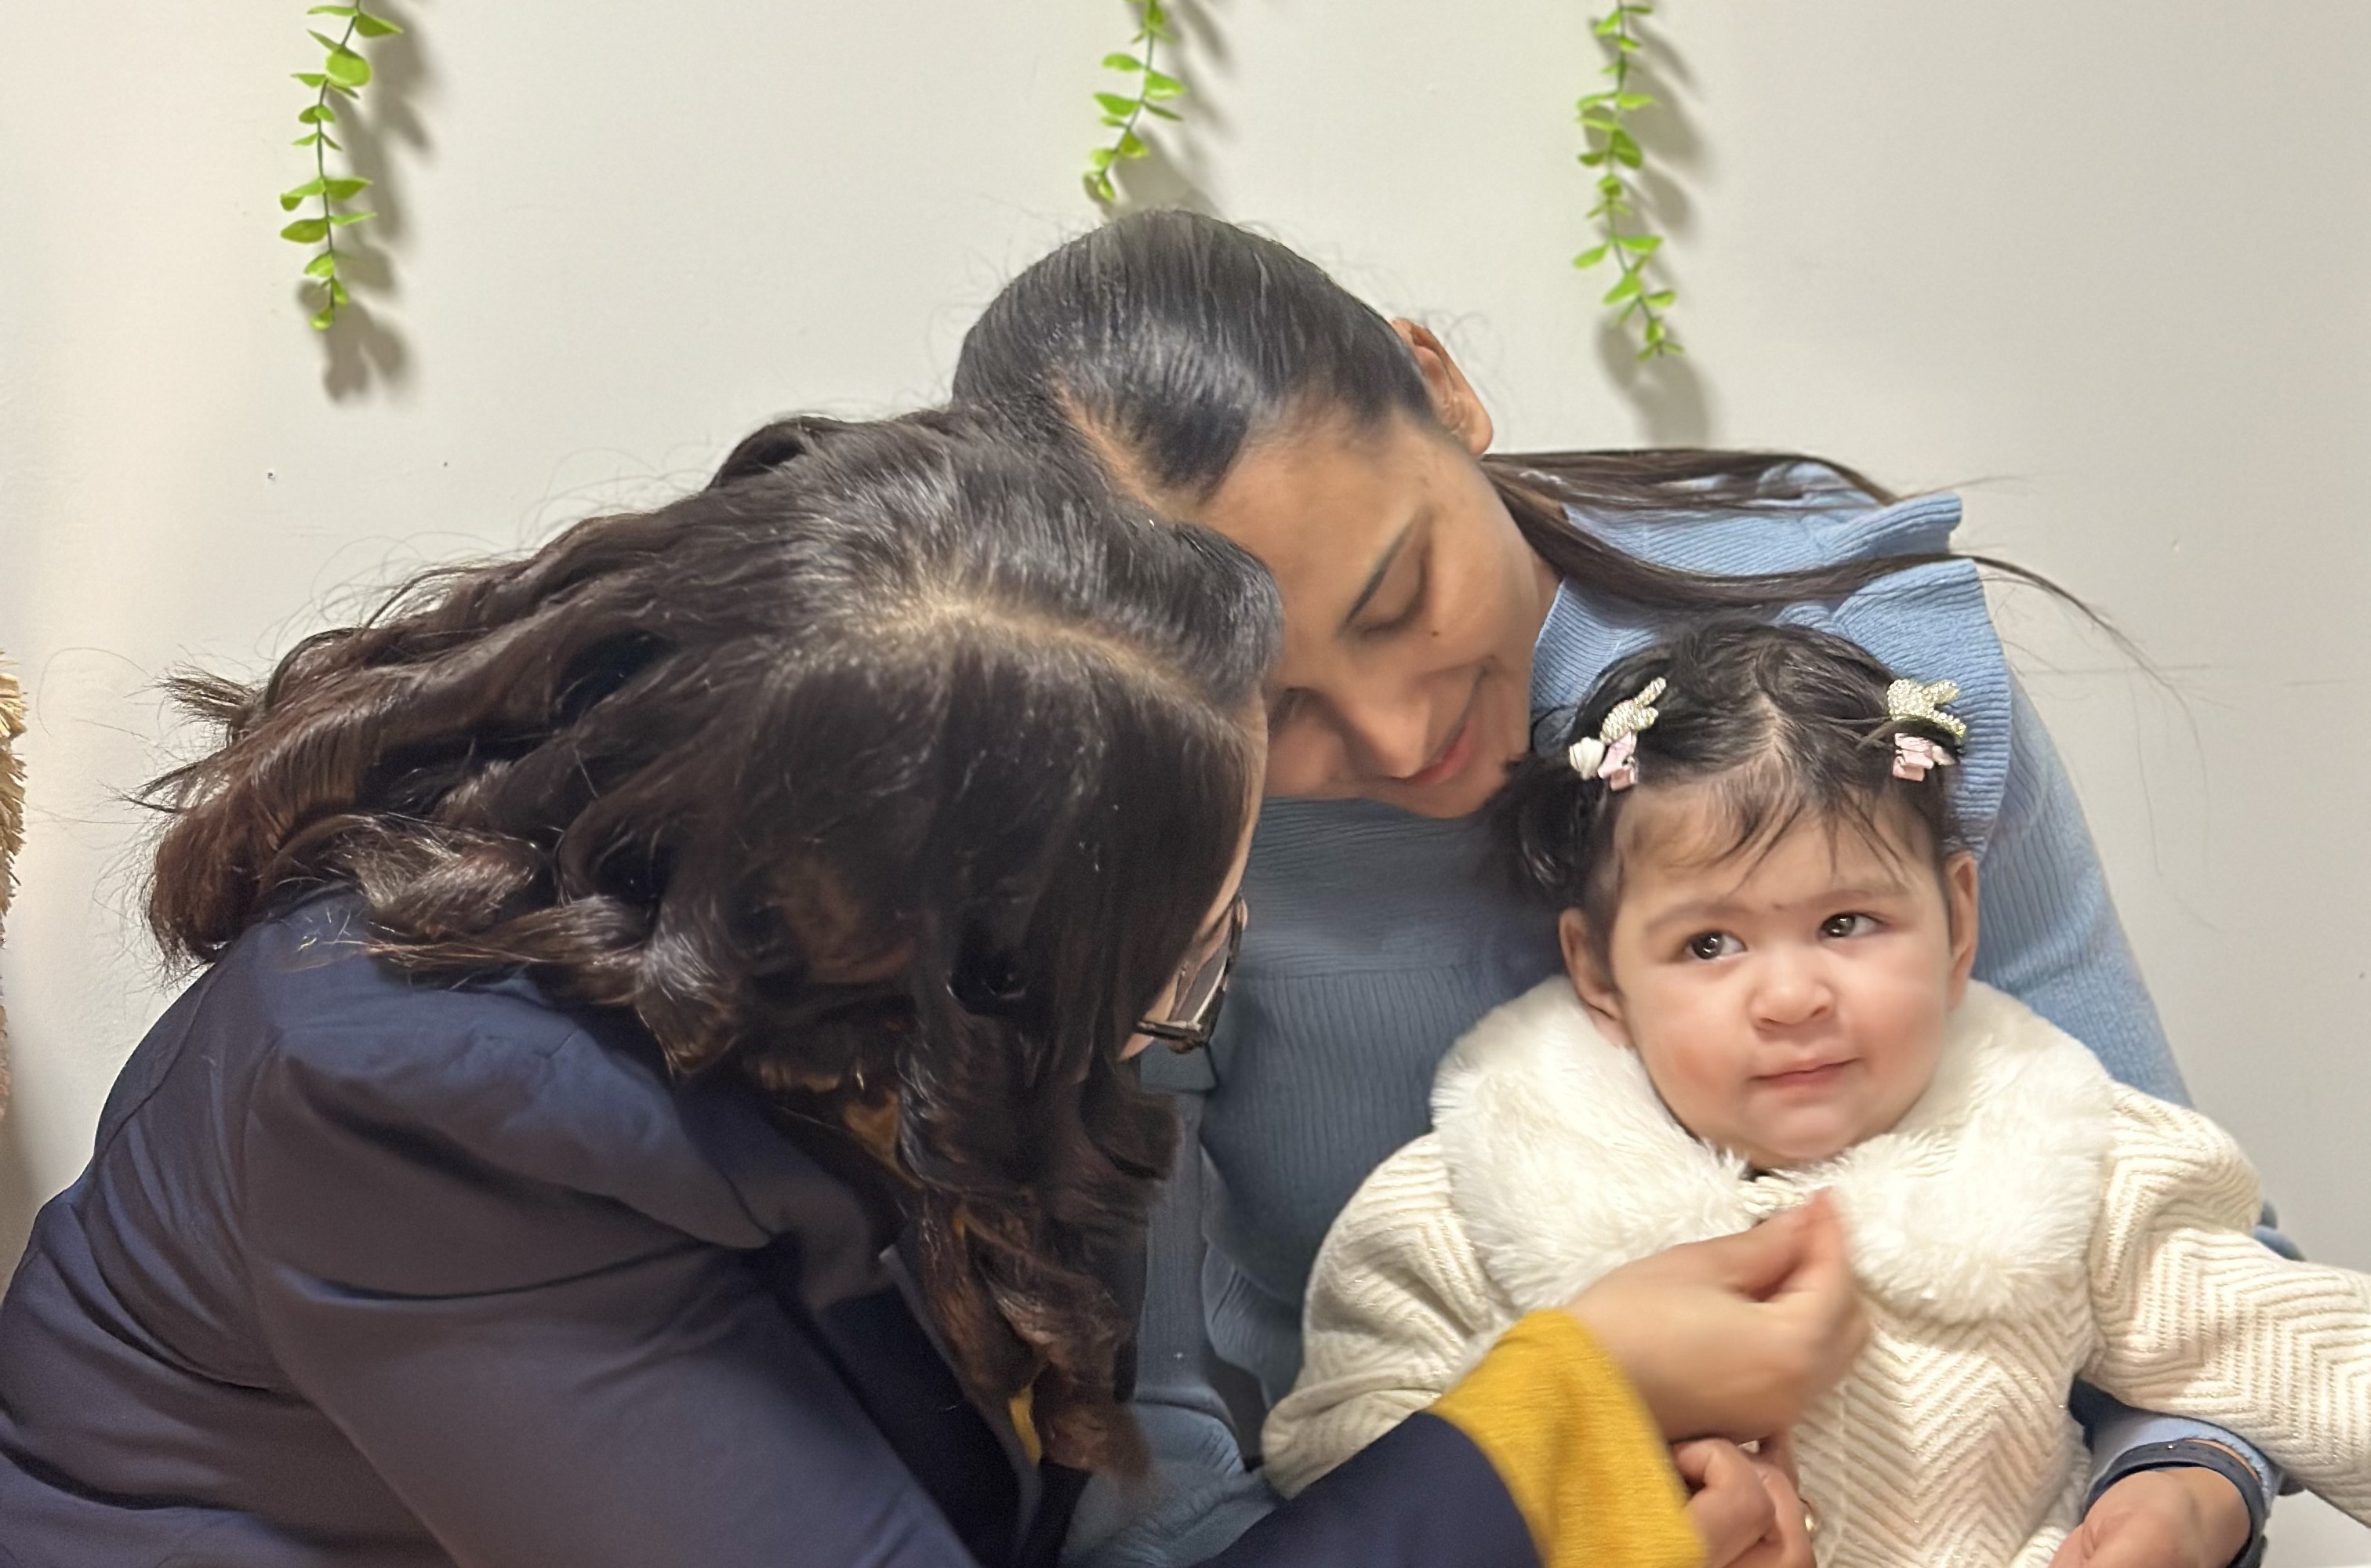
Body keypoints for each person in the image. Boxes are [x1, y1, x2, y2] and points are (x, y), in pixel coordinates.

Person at [0, 413, 1861, 1567]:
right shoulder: (411, 1116)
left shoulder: (800, 830)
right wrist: (1559, 1430)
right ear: (953, 983)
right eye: (1183, 954)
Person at [950, 211, 2282, 1568]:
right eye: (1271, 706)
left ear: (1439, 386)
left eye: (1398, 597)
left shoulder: (1849, 664)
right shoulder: (1166, 866)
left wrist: (2186, 1482)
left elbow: (2170, 1232)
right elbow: (1155, 1473)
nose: (1400, 736)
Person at [1263, 621, 2371, 1566]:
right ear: (1599, 972)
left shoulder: (2069, 1154)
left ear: (1958, 920)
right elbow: (1357, 1462)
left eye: (1847, 923)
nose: (1792, 997)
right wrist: (1611, 1490)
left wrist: (2186, 1487)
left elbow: (2302, 1354)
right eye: (1709, 944)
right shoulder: (1473, 1200)